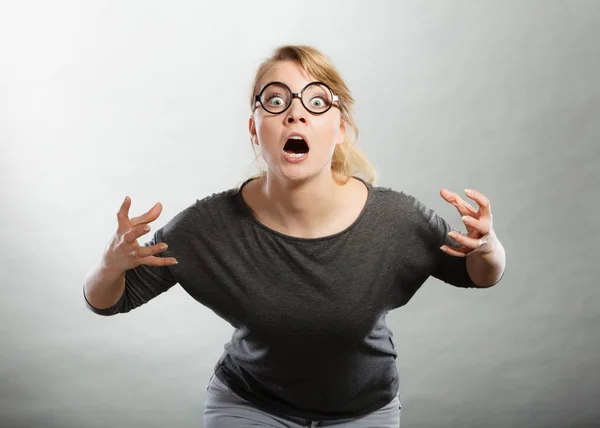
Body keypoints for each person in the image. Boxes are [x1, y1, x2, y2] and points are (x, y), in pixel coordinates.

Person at [83, 45, 506, 428]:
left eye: (317, 102)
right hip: (248, 405)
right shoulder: (208, 226)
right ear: (255, 128)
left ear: (340, 127)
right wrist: (109, 265)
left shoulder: (395, 219)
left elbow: (478, 272)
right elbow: (108, 300)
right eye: (276, 100)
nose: (296, 113)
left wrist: (488, 246)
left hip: (365, 411)